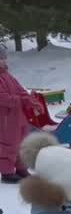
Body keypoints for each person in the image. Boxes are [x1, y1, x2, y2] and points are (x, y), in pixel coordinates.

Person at [0, 43, 37, 183]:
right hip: (5, 119)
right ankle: (7, 173)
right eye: (0, 58)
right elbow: (3, 97)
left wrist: (30, 100)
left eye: (4, 58)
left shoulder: (7, 75)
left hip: (18, 117)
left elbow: (20, 90)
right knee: (9, 144)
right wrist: (19, 100)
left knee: (22, 142)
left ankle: (21, 168)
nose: (3, 61)